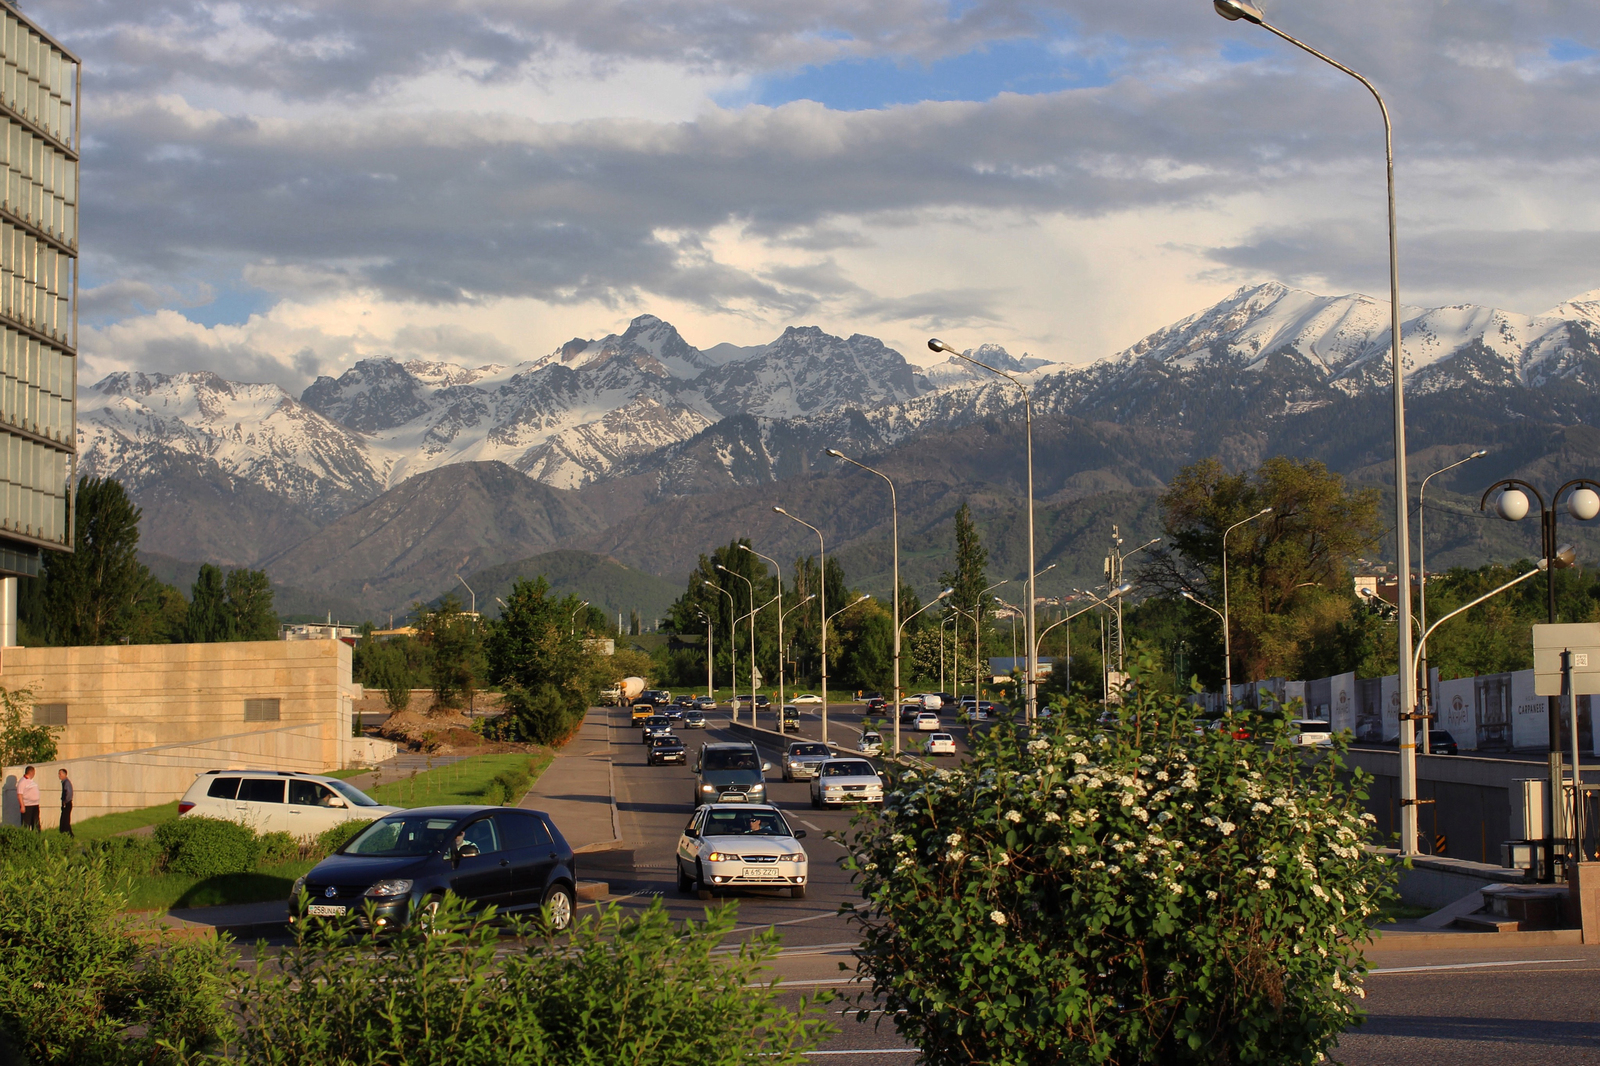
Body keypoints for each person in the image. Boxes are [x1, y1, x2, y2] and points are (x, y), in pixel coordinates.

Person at [16, 766, 40, 830]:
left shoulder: (31, 781)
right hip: (27, 805)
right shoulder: (22, 782)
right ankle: (26, 837)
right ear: (31, 772)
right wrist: (22, 806)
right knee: (26, 823)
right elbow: (19, 794)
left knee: (35, 823)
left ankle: (36, 836)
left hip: (35, 804)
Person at [57, 768, 73, 836]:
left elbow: (69, 792)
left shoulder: (66, 783)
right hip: (66, 803)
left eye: (60, 774)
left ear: (64, 774)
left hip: (67, 803)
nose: (59, 775)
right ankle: (67, 834)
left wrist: (65, 801)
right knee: (64, 820)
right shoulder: (65, 782)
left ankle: (68, 834)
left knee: (65, 820)